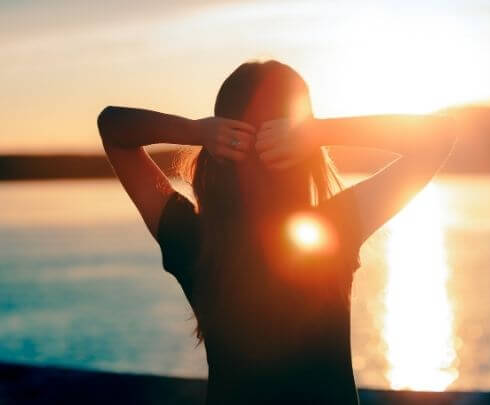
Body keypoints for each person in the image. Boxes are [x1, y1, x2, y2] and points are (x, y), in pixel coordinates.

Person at [97, 60, 457, 404]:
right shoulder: (332, 228)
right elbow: (438, 136)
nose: (262, 148)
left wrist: (197, 132)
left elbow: (114, 130)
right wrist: (318, 132)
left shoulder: (193, 237)